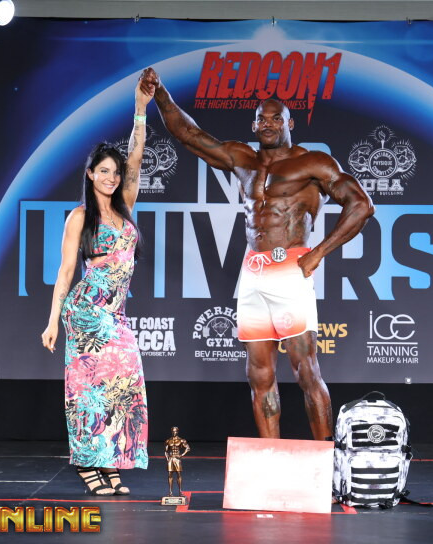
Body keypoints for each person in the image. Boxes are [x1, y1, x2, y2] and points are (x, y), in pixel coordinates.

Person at [141, 67, 374, 441]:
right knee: (259, 375)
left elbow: (361, 204)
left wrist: (318, 253)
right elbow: (189, 135)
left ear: (289, 123)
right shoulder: (242, 159)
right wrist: (161, 93)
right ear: (253, 125)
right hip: (252, 272)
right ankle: (270, 456)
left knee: (305, 370)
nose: (268, 124)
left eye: (276, 118)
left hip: (291, 269)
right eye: (261, 119)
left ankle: (325, 456)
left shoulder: (313, 163)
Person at [41, 77, 154, 495]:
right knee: (87, 391)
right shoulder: (79, 217)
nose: (111, 177)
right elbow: (66, 271)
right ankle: (88, 464)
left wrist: (140, 109)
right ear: (90, 174)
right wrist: (53, 320)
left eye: (115, 172)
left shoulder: (126, 209)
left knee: (123, 385)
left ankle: (110, 460)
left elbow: (137, 157)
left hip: (116, 316)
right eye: (103, 171)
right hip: (86, 313)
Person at [164, 426, 190, 497]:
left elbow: (188, 448)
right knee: (170, 474)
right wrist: (167, 459)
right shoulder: (168, 441)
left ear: (177, 432)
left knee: (178, 474)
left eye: (175, 431)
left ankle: (180, 491)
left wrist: (181, 455)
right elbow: (166, 451)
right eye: (173, 431)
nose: (174, 432)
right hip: (171, 458)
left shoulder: (181, 440)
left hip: (177, 458)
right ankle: (170, 492)